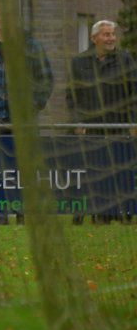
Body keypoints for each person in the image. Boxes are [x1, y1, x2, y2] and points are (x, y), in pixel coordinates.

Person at [0, 0, 53, 225]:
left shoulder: (32, 46)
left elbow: (45, 80)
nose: (1, 19)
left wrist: (33, 106)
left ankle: (21, 211)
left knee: (22, 167)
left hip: (23, 121)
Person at [67, 19, 137, 224]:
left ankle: (119, 214)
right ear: (94, 38)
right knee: (93, 171)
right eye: (106, 34)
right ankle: (92, 214)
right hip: (91, 128)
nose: (111, 38)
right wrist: (77, 122)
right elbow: (72, 96)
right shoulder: (79, 62)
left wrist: (133, 123)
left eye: (113, 34)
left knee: (119, 170)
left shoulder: (125, 60)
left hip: (118, 126)